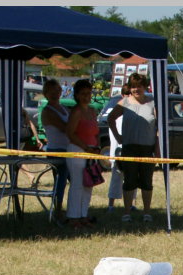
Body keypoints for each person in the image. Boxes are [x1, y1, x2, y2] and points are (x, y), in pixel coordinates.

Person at [108, 72, 159, 224]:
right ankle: (126, 212)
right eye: (134, 86)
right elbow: (110, 119)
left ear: (145, 87)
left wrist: (157, 149)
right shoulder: (124, 102)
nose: (137, 89)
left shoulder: (152, 103)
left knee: (146, 182)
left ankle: (147, 212)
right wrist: (118, 137)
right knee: (129, 181)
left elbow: (158, 128)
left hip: (147, 149)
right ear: (130, 88)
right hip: (129, 148)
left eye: (140, 86)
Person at [65, 79, 100, 229]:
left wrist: (96, 146)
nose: (87, 96)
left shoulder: (92, 111)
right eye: (83, 94)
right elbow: (70, 133)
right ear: (77, 95)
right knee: (77, 184)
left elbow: (96, 131)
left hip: (91, 150)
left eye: (89, 93)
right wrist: (85, 147)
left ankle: (84, 214)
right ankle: (73, 217)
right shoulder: (76, 111)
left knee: (88, 184)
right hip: (77, 150)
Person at [40, 78, 70, 223]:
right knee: (60, 182)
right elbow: (65, 128)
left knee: (75, 181)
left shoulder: (63, 108)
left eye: (57, 90)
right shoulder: (47, 111)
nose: (55, 94)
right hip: (56, 151)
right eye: (51, 91)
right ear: (45, 93)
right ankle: (58, 210)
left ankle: (71, 209)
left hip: (69, 150)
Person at [106, 84, 137, 212]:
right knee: (116, 179)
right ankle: (111, 205)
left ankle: (132, 204)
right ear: (123, 96)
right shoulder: (118, 113)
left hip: (131, 151)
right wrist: (119, 139)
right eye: (128, 95)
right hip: (118, 152)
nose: (130, 97)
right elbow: (116, 132)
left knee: (133, 179)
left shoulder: (132, 112)